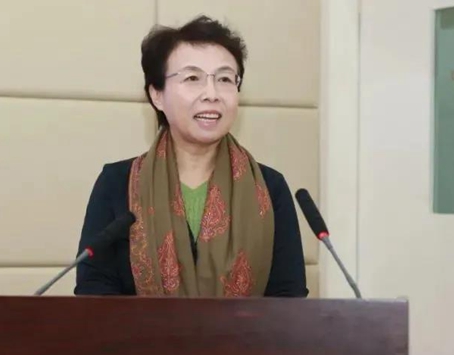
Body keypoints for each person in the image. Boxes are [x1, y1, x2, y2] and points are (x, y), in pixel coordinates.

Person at [74, 16, 308, 298]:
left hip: (251, 331)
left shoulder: (270, 188)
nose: (212, 94)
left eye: (224, 79)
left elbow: (289, 299)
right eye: (193, 78)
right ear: (157, 95)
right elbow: (94, 291)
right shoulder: (117, 183)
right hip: (139, 331)